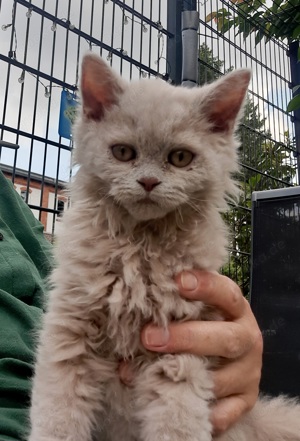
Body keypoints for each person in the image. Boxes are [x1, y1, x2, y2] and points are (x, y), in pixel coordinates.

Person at [0, 169, 263, 440]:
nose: (148, 177)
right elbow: (66, 344)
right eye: (124, 152)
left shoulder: (9, 204)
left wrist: (233, 345)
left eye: (179, 158)